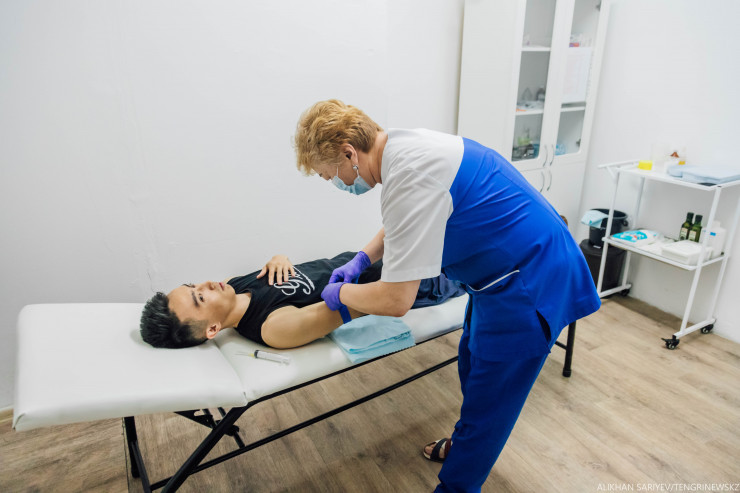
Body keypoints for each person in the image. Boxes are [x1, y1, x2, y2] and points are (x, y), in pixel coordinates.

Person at [293, 99, 601, 492]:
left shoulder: (409, 175)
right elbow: (407, 219)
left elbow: (395, 301)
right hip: (499, 276)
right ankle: (465, 443)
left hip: (530, 282)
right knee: (471, 362)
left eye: (329, 175)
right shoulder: (400, 148)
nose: (335, 183)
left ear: (349, 153)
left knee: (492, 401)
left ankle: (459, 477)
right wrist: (363, 258)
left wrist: (342, 292)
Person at [139, 252, 465, 350]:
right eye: (200, 296)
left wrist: (280, 258)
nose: (207, 284)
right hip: (409, 284)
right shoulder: (272, 327)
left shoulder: (235, 286)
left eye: (193, 285)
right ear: (212, 329)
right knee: (474, 267)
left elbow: (293, 277)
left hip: (375, 259)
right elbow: (355, 306)